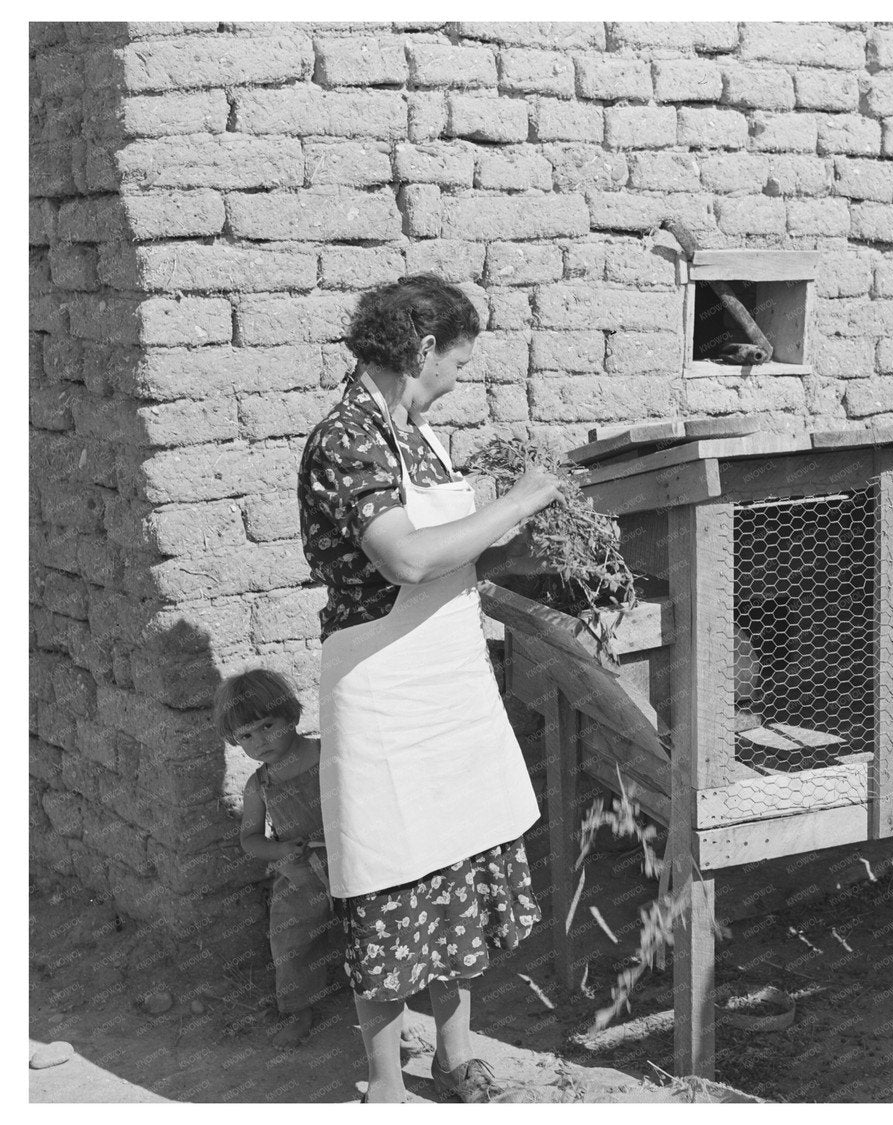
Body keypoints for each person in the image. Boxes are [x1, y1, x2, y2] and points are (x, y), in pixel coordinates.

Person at [297, 275, 561, 1104]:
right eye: (457, 358)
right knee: (388, 877)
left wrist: (513, 523)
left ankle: (455, 1050)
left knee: (456, 864)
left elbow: (452, 544)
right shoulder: (345, 438)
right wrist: (516, 502)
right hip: (383, 682)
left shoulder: (416, 435)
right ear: (419, 351)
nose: (458, 374)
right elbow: (407, 558)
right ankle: (386, 1086)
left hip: (443, 676)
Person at [216, 668, 342, 1051]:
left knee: (367, 936)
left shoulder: (330, 756)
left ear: (292, 715)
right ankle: (298, 1009)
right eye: (246, 736)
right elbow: (250, 839)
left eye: (267, 725)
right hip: (300, 875)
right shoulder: (260, 785)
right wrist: (280, 853)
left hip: (351, 864)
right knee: (290, 943)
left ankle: (390, 1012)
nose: (260, 741)